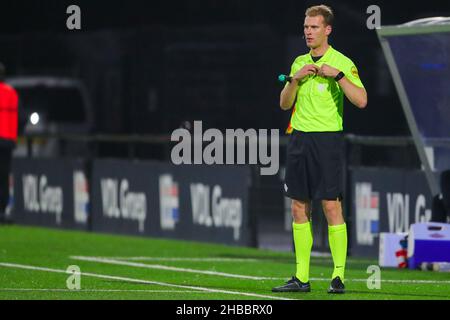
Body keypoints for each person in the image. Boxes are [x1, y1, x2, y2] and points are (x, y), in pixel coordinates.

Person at [272, 5, 367, 294]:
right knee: (299, 206)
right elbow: (284, 104)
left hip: (327, 141)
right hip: (299, 139)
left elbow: (361, 100)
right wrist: (295, 78)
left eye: (314, 27)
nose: (308, 32)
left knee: (330, 205)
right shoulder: (298, 62)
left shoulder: (341, 62)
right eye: (305, 27)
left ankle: (338, 276)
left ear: (327, 30)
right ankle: (301, 277)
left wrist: (338, 76)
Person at [0, 62, 19, 223]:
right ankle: (3, 209)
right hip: (8, 141)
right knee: (4, 176)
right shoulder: (11, 92)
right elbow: (21, 118)